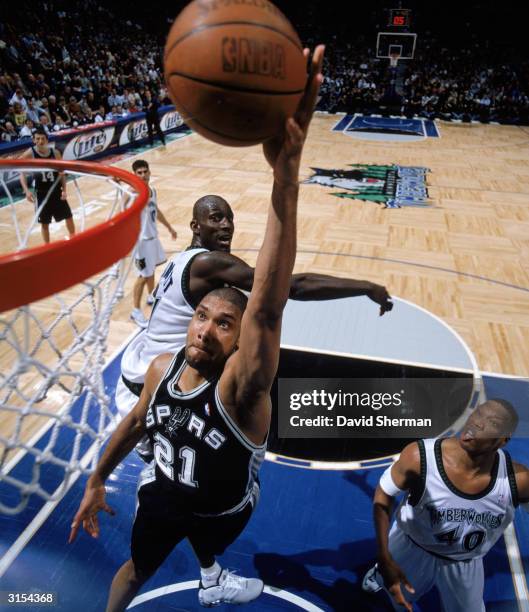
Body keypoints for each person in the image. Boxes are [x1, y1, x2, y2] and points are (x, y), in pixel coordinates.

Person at [69, 45, 325, 611]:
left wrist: (285, 180)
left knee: (209, 543)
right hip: (164, 500)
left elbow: (268, 304)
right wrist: (95, 479)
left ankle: (213, 574)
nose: (206, 330)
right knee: (133, 571)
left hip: (223, 508)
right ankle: (210, 577)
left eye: (225, 324)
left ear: (241, 342)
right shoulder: (163, 367)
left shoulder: (242, 388)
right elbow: (135, 422)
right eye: (202, 316)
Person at [362, 399, 529, 611]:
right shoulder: (419, 457)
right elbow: (383, 494)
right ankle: (380, 572)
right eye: (477, 414)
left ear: (503, 440)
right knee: (399, 603)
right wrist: (384, 557)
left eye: (492, 423)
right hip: (412, 548)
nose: (478, 423)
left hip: (464, 562)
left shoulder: (518, 480)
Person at [130, 160, 177, 328]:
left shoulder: (152, 191)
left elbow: (156, 211)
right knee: (143, 275)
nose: (143, 175)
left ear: (149, 172)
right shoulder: (133, 194)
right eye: (139, 173)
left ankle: (151, 296)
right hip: (140, 243)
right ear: (134, 175)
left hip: (152, 238)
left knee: (151, 270)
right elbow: (123, 208)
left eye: (145, 172)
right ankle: (135, 310)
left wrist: (169, 227)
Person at [19, 127, 75, 243]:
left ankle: (74, 238)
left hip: (56, 191)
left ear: (47, 140)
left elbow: (62, 173)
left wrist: (64, 190)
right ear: (34, 140)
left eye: (42, 138)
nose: (40, 141)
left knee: (68, 216)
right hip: (41, 193)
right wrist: (26, 191)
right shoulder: (30, 153)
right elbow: (21, 172)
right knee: (45, 223)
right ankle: (47, 246)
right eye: (37, 139)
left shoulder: (55, 153)